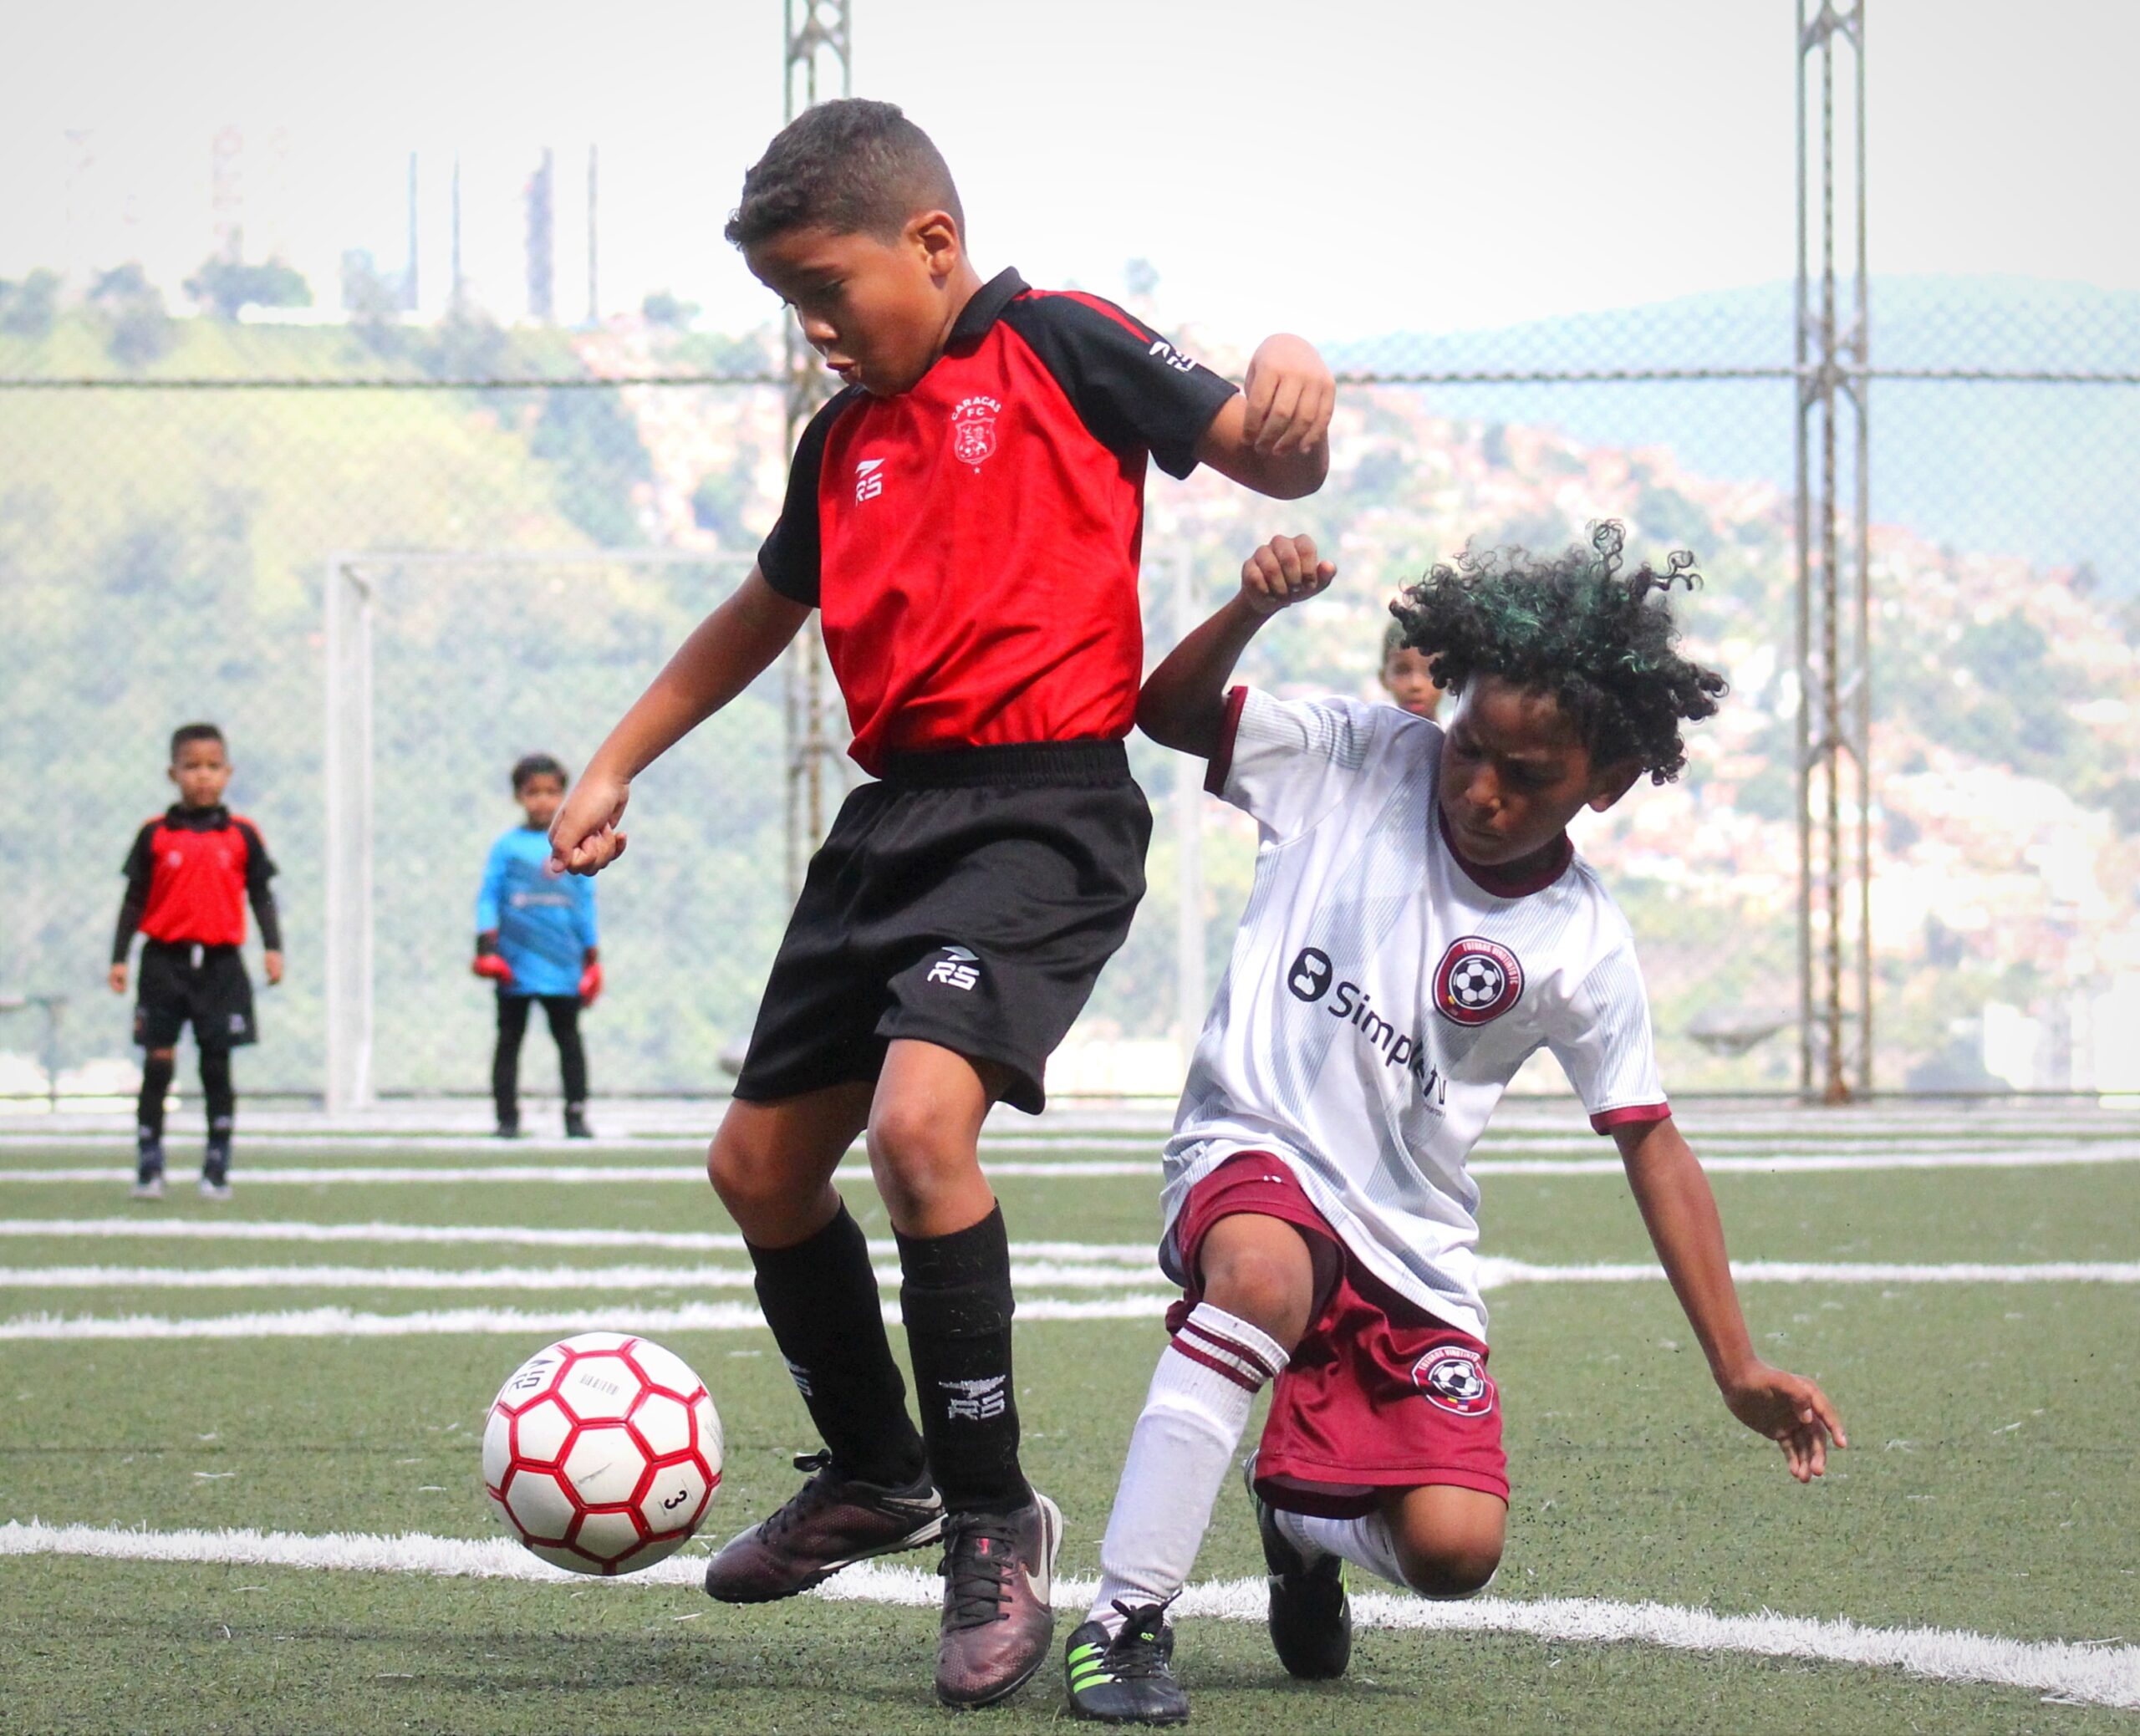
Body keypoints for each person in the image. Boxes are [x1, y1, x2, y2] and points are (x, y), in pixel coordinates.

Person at [547, 97, 1334, 1708]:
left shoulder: (1058, 340)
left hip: (1044, 812)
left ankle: (994, 1521)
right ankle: (876, 1469)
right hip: (891, 825)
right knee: (758, 1167)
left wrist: (1292, 356)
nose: (816, 330)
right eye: (790, 307)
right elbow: (763, 612)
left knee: (920, 1130)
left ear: (933, 241)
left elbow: (1271, 454)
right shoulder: (841, 439)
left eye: (829, 289)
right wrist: (616, 758)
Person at [1062, 526, 1847, 1723]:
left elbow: (1652, 1142)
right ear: (1447, 700)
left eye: (1527, 778)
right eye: (1470, 746)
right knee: (1262, 1276)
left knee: (1453, 1551)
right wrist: (1244, 611)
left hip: (1407, 1239)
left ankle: (1297, 1516)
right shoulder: (1359, 755)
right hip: (1253, 1145)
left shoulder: (1582, 943)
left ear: (1609, 779)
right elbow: (1166, 712)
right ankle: (1124, 1619)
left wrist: (1735, 1364)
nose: (1482, 789)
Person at [110, 723, 283, 1201]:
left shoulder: (242, 835)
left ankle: (216, 1163)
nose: (202, 777)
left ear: (227, 773)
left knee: (216, 1064)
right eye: (192, 767)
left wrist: (272, 947)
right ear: (173, 773)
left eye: (212, 767)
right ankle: (149, 1161)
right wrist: (119, 957)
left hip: (221, 965)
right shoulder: (156, 835)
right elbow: (133, 899)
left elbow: (262, 895)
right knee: (159, 1061)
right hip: (164, 963)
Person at [473, 754, 600, 1140]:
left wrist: (592, 958)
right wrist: (485, 948)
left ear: (563, 796)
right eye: (533, 793)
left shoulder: (572, 844)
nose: (542, 801)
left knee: (569, 1040)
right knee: (509, 1040)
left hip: (563, 966)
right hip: (514, 965)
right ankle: (506, 1117)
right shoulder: (507, 848)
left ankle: (575, 1115)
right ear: (518, 797)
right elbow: (487, 897)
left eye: (551, 792)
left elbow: (585, 901)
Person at [1378, 615, 1443, 719]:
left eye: (1431, 670)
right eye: (1402, 671)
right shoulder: (1370, 734)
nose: (1415, 684)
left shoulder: (1467, 734)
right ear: (1383, 678)